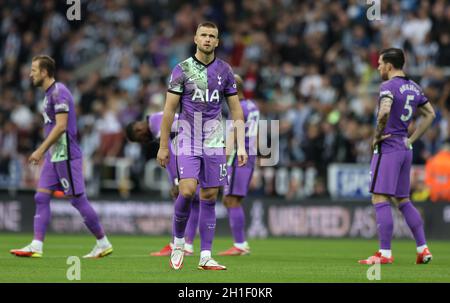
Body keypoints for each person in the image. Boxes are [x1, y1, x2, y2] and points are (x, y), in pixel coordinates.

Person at [157, 21, 247, 270]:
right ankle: (178, 242)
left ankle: (205, 255)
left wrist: (240, 146)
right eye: (203, 35)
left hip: (214, 142)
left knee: (209, 196)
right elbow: (168, 112)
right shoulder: (181, 70)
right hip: (187, 139)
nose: (208, 39)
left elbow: (236, 110)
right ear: (196, 39)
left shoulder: (226, 71)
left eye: (212, 36)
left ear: (217, 42)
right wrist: (164, 146)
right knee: (186, 191)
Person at [10, 55, 112, 258]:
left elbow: (61, 126)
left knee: (77, 200)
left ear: (45, 72)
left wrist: (39, 150)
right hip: (54, 155)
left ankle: (103, 242)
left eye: (34, 70)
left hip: (66, 154)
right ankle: (36, 245)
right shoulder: (48, 94)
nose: (30, 74)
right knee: (41, 196)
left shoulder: (59, 93)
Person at [359, 48, 436, 265]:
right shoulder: (414, 87)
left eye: (380, 63)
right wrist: (412, 139)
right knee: (403, 200)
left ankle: (384, 254)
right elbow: (430, 114)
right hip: (405, 147)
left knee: (380, 197)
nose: (378, 67)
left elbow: (384, 112)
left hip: (389, 147)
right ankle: (423, 249)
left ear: (390, 66)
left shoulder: (388, 87)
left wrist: (376, 136)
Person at [125, 112, 200, 256]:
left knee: (180, 199)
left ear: (138, 129)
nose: (144, 141)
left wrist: (176, 181)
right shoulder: (157, 117)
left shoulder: (155, 123)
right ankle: (187, 246)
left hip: (188, 149)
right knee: (195, 201)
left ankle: (176, 244)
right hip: (196, 144)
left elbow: (169, 151)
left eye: (140, 139)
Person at [218, 74, 259, 256]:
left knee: (231, 200)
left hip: (237, 157)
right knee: (233, 200)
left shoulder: (239, 108)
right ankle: (241, 243)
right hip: (249, 156)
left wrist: (222, 158)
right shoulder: (252, 105)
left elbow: (234, 136)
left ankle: (240, 244)